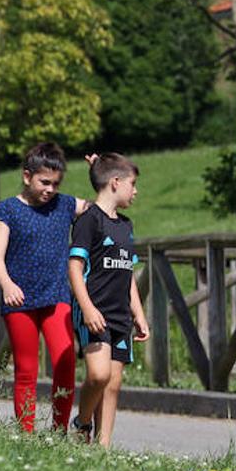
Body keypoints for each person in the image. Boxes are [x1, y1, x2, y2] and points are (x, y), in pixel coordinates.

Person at [0, 143, 90, 433]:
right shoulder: (8, 210)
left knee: (65, 361)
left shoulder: (65, 204)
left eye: (55, 184)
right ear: (26, 176)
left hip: (56, 295)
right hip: (19, 299)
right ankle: (27, 433)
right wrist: (7, 285)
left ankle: (59, 431)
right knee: (27, 369)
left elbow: (97, 207)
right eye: (44, 182)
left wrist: (98, 171)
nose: (50, 189)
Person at [69, 153, 149, 447]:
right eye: (133, 184)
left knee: (113, 384)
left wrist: (138, 314)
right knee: (99, 375)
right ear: (116, 183)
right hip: (95, 312)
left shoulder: (126, 226)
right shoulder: (88, 221)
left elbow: (128, 275)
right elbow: (75, 268)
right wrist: (87, 308)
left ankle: (103, 448)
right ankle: (82, 422)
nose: (136, 191)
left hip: (120, 316)